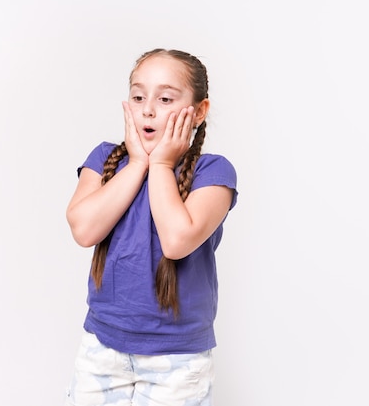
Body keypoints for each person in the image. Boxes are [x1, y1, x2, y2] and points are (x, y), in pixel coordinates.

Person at [63, 48, 238, 406]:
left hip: (176, 361)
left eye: (165, 98)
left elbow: (176, 241)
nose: (147, 109)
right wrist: (138, 162)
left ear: (199, 111)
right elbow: (83, 229)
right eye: (139, 95)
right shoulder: (104, 159)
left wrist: (159, 164)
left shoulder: (214, 173)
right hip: (101, 348)